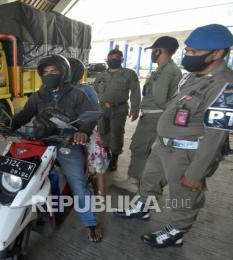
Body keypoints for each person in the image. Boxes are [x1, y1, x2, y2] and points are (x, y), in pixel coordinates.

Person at [115, 24, 233, 248]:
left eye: (193, 52)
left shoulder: (225, 85)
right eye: (187, 50)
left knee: (184, 195)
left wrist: (196, 174)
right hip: (163, 146)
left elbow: (216, 135)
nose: (187, 55)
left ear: (217, 53)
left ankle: (177, 231)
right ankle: (142, 208)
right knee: (149, 180)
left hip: (187, 152)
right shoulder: (192, 77)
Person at [0, 54, 103, 242]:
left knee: (78, 182)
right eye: (46, 72)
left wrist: (83, 132)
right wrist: (7, 124)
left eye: (54, 71)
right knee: (19, 171)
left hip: (67, 141)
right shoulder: (39, 95)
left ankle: (90, 222)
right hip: (40, 139)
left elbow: (91, 115)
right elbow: (25, 115)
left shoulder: (78, 94)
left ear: (64, 73)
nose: (49, 75)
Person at [115, 36, 182, 193]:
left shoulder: (165, 72)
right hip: (157, 116)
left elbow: (160, 99)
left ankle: (134, 181)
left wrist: (166, 114)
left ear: (159, 51)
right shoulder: (169, 69)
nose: (152, 54)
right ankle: (141, 181)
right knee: (147, 149)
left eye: (153, 51)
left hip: (154, 117)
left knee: (140, 147)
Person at [93, 49, 141, 171]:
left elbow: (135, 92)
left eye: (116, 59)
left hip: (119, 108)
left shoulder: (129, 74)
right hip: (103, 108)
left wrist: (135, 109)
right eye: (111, 59)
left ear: (121, 60)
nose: (113, 61)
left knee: (116, 134)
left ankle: (114, 158)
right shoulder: (101, 75)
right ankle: (106, 154)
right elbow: (95, 91)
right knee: (103, 132)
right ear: (107, 60)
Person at [68, 58, 109, 196]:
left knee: (97, 160)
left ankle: (100, 195)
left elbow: (93, 114)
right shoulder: (58, 90)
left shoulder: (86, 90)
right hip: (63, 132)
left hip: (84, 132)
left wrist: (83, 128)